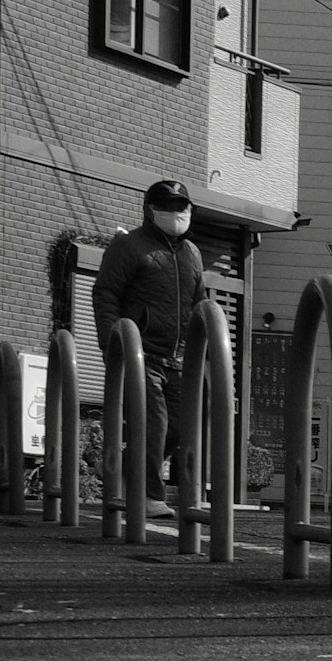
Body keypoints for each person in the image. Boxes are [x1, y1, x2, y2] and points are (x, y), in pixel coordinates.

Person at [92, 179, 207, 511]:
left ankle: (125, 466)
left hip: (180, 357)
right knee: (153, 421)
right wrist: (111, 344)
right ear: (150, 210)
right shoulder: (129, 246)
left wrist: (205, 348)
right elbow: (105, 293)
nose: (177, 213)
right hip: (139, 352)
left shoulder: (193, 254)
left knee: (183, 427)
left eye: (182, 207)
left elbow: (199, 303)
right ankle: (148, 495)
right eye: (169, 207)